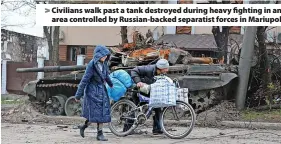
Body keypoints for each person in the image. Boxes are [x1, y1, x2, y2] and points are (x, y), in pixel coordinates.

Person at [74, 45, 113, 141]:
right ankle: (94, 131)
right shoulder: (92, 65)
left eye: (106, 55)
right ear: (98, 55)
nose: (105, 57)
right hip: (92, 91)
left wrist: (111, 84)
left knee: (102, 113)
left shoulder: (104, 64)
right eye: (103, 55)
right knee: (96, 113)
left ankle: (95, 131)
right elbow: (84, 80)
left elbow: (106, 75)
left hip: (101, 90)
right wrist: (78, 95)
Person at [123, 59, 170, 135]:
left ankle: (157, 129)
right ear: (160, 68)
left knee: (158, 107)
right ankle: (126, 129)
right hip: (140, 91)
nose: (167, 70)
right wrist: (138, 81)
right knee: (138, 110)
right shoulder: (149, 69)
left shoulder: (161, 74)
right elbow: (134, 70)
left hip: (150, 92)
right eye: (165, 69)